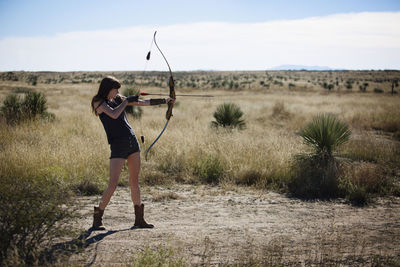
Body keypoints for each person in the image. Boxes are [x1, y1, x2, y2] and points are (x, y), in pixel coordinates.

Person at [90, 76, 174, 230]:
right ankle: (97, 219)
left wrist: (165, 101)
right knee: (113, 184)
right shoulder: (98, 102)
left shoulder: (119, 99)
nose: (117, 92)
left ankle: (139, 220)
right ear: (107, 88)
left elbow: (143, 102)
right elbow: (114, 114)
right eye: (115, 89)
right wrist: (126, 101)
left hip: (132, 142)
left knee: (134, 182)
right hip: (117, 144)